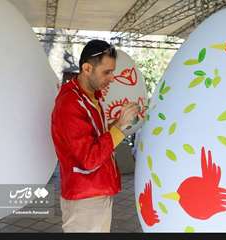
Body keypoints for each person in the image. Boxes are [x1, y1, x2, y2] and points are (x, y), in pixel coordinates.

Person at [51, 40, 139, 232]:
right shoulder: (69, 104)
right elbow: (88, 159)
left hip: (96, 191)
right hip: (85, 197)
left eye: (112, 71)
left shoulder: (90, 96)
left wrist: (117, 123)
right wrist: (120, 126)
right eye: (106, 72)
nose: (112, 77)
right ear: (87, 68)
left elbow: (97, 137)